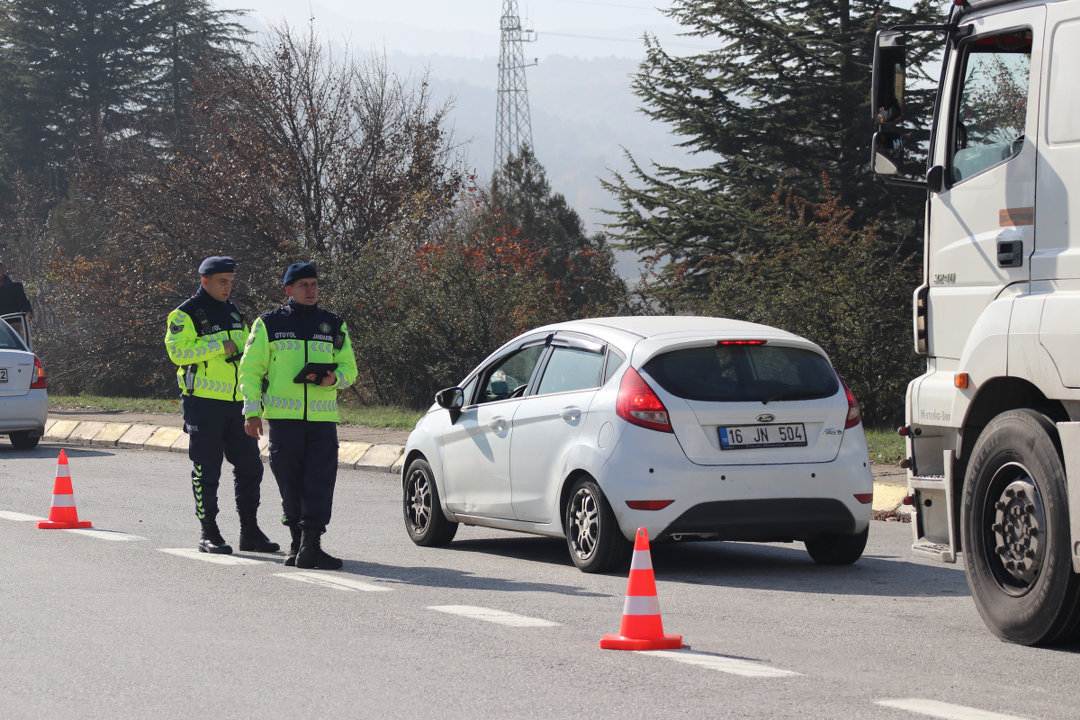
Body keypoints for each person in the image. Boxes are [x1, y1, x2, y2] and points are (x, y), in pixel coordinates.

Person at [239, 262, 358, 569]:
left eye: (315, 285)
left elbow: (349, 368)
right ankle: (298, 544)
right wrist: (252, 412)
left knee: (319, 482)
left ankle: (311, 545)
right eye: (304, 285)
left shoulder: (333, 323)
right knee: (289, 482)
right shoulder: (269, 323)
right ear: (289, 290)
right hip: (283, 420)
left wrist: (334, 379)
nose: (311, 290)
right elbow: (250, 371)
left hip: (322, 420)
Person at [165, 256, 279, 555]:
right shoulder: (184, 314)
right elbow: (178, 352)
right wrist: (218, 347)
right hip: (203, 404)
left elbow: (246, 351)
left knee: (251, 468)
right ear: (205, 281)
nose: (228, 287)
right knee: (207, 470)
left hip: (237, 404)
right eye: (222, 281)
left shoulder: (233, 311)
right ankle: (209, 532)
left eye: (231, 281)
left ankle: (250, 532)